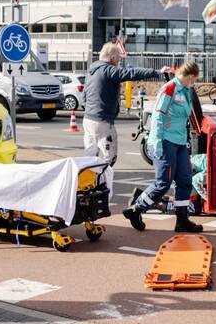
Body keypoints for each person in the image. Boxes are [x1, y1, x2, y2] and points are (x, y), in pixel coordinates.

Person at [123, 61, 203, 233]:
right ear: (190, 76)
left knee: (184, 181)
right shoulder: (169, 89)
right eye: (194, 79)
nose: (194, 83)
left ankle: (182, 220)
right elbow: (158, 116)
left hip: (180, 143)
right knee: (163, 183)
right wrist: (158, 143)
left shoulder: (185, 91)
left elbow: (187, 116)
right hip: (165, 142)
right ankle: (136, 209)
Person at [82, 42, 169, 165]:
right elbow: (131, 73)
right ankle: (103, 181)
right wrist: (156, 72)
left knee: (89, 156)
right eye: (118, 58)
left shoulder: (91, 72)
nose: (118, 61)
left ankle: (89, 182)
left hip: (88, 119)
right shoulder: (108, 70)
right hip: (102, 121)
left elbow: (84, 96)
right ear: (112, 58)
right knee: (109, 158)